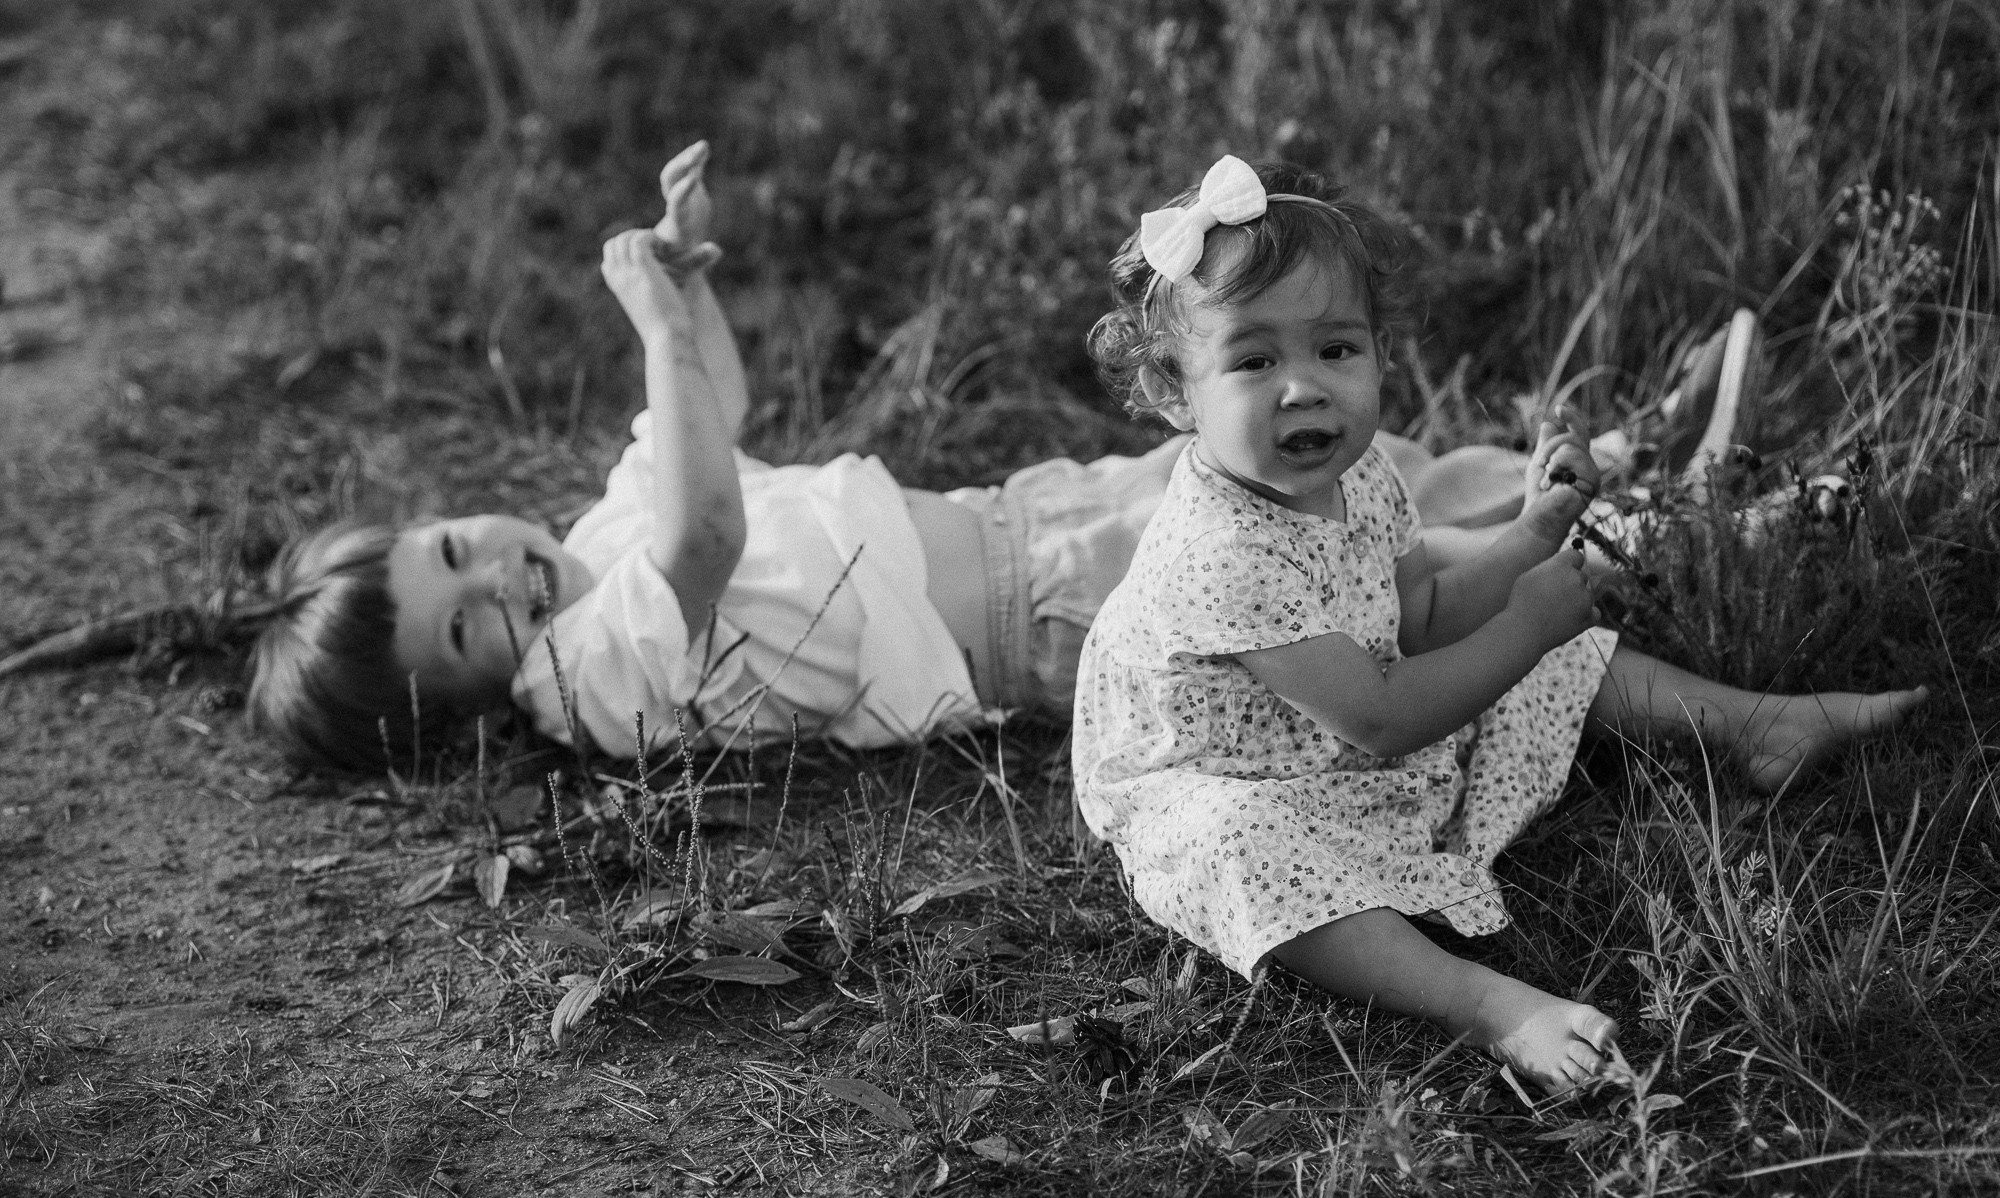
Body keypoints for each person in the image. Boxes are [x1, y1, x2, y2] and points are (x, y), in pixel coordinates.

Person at [248, 143, 1573, 771]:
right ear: (473, 708)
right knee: (1324, 586)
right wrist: (645, 327)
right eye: (470, 629)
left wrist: (688, 288)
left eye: (456, 552)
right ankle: (1571, 553)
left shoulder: (593, 547)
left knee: (1334, 487)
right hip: (1032, 619)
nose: (501, 583)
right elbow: (703, 532)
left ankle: (1553, 484)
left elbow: (709, 410)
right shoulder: (588, 677)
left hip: (1018, 518)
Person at [1069, 155, 1928, 1091]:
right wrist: (1526, 623)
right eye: (1254, 359)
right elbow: (1385, 715)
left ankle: (1761, 723)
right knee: (1247, 848)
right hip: (1216, 774)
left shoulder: (1357, 474)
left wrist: (1528, 536)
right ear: (1172, 393)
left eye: (1336, 350)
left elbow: (1423, 615)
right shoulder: (1220, 553)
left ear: (1381, 354)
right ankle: (1488, 1004)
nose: (1304, 387)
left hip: (1339, 728)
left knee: (1546, 664)